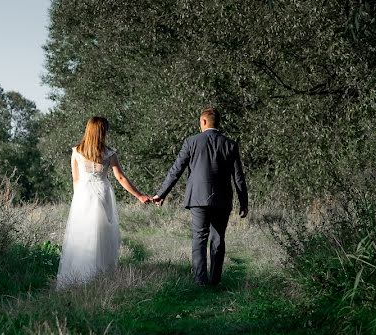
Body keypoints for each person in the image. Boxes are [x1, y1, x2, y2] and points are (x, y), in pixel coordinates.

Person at [151, 107, 249, 286]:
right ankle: (215, 280)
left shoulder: (191, 142)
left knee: (199, 237)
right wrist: (244, 203)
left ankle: (200, 281)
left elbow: (176, 170)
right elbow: (238, 177)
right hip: (222, 199)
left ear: (203, 122)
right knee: (218, 238)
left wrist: (161, 193)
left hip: (197, 198)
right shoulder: (230, 144)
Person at [56, 116, 151, 289]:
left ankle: (82, 278)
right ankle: (98, 277)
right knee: (102, 235)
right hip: (101, 194)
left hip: (83, 197)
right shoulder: (109, 153)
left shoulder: (77, 151)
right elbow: (120, 177)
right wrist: (139, 195)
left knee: (83, 235)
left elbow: (75, 180)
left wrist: (78, 202)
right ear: (102, 132)